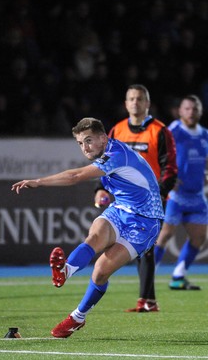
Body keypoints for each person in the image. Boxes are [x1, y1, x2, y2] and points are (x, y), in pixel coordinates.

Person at [12, 117, 164, 338]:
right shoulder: (107, 153)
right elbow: (112, 179)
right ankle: (66, 270)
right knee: (95, 236)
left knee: (101, 270)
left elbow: (75, 176)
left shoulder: (116, 155)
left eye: (89, 140)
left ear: (103, 138)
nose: (85, 147)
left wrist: (39, 181)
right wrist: (101, 191)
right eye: (81, 143)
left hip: (145, 222)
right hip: (120, 209)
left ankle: (77, 317)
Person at [94, 84, 177, 312]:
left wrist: (160, 193)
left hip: (152, 200)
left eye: (140, 99)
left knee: (146, 248)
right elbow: (104, 164)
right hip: (124, 201)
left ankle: (147, 301)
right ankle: (148, 301)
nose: (135, 103)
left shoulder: (160, 131)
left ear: (147, 103)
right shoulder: (117, 131)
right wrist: (99, 189)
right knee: (137, 249)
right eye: (131, 99)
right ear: (125, 103)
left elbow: (169, 167)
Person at [154, 95, 208, 290]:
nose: (191, 112)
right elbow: (158, 153)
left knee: (199, 237)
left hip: (196, 195)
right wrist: (166, 178)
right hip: (176, 195)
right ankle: (148, 276)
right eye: (187, 109)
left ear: (200, 111)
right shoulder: (174, 130)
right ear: (180, 111)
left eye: (195, 109)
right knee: (165, 234)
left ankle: (178, 276)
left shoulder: (204, 134)